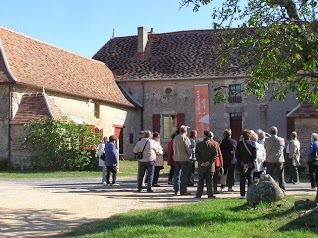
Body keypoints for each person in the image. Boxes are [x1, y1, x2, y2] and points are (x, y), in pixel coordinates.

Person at [195, 130, 218, 199]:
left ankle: (198, 195)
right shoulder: (213, 144)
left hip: (201, 166)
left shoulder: (199, 144)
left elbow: (197, 154)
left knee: (200, 181)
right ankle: (210, 194)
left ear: (204, 136)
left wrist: (201, 162)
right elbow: (216, 155)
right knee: (209, 181)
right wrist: (209, 162)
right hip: (210, 166)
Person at [236, 129, 257, 199]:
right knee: (250, 179)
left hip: (242, 164)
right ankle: (250, 194)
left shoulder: (239, 144)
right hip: (250, 164)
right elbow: (254, 155)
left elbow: (237, 155)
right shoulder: (253, 143)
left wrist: (242, 163)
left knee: (242, 179)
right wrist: (249, 163)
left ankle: (242, 194)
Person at [264, 126, 286, 191]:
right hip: (279, 159)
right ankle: (282, 188)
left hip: (270, 159)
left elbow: (265, 146)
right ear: (277, 132)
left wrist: (268, 136)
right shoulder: (281, 140)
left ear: (270, 132)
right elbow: (283, 147)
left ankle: (268, 187)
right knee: (281, 175)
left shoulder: (267, 140)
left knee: (269, 175)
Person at [173, 125, 192, 195]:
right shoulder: (185, 138)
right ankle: (183, 190)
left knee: (177, 174)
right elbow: (188, 149)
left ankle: (176, 190)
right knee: (184, 175)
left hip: (176, 158)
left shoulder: (175, 138)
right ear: (185, 131)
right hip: (184, 158)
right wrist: (190, 155)